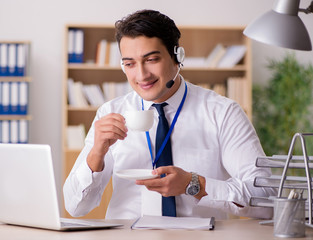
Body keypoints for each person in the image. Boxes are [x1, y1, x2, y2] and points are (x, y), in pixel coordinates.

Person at [63, 9, 276, 220]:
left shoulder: (223, 113)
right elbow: (75, 207)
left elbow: (267, 201)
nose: (141, 75)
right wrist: (96, 154)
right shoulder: (110, 113)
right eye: (130, 64)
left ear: (177, 57)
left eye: (152, 59)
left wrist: (194, 184)